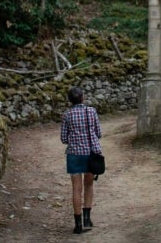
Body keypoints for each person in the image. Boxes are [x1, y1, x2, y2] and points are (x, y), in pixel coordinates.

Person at [60, 86, 102, 234]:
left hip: (74, 155)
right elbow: (98, 133)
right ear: (82, 98)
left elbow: (64, 139)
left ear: (70, 100)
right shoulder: (91, 111)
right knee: (89, 185)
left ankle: (77, 225)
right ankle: (87, 219)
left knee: (76, 189)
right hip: (91, 153)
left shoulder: (66, 115)